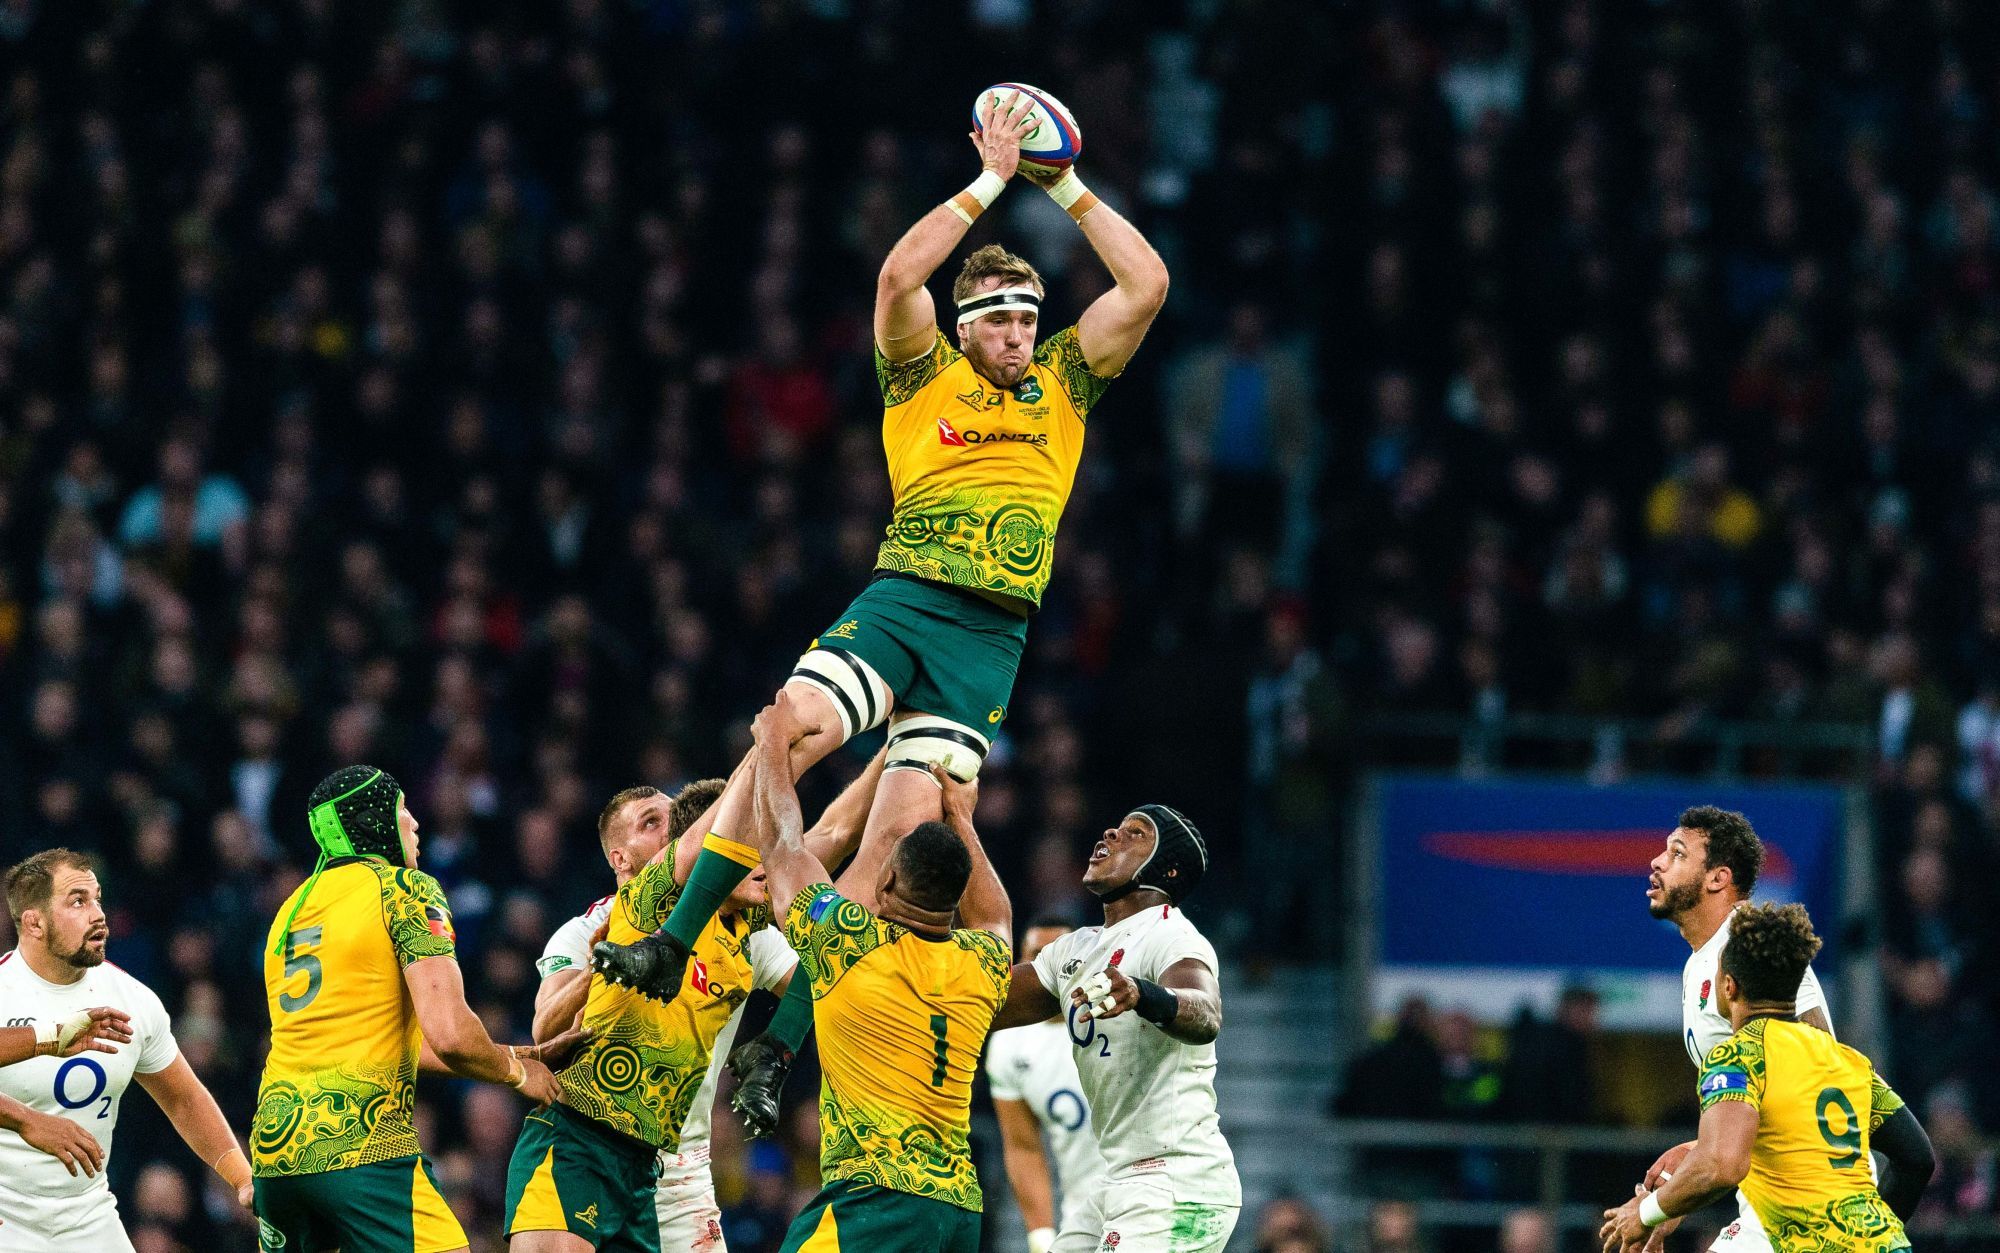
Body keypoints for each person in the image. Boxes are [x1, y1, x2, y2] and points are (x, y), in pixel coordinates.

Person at [593, 87, 1169, 1005]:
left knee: (899, 836)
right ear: (965, 326)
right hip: (905, 600)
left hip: (989, 640)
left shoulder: (1065, 378)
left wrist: (1064, 186)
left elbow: (1147, 287)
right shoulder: (921, 373)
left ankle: (788, 1034)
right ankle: (670, 937)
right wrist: (991, 180)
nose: (1018, 335)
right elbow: (899, 278)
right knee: (789, 729)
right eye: (999, 319)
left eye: (1028, 318)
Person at [519, 755, 881, 1252]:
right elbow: (544, 1030)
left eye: (674, 818)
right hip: (589, 1138)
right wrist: (605, 964)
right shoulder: (591, 927)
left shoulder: (743, 926)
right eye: (650, 823)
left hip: (680, 1167)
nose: (672, 828)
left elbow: (828, 838)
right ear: (620, 859)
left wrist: (898, 757)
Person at [252, 766, 567, 1253]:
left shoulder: (292, 910)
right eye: (402, 809)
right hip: (362, 1145)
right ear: (375, 822)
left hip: (276, 1152)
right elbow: (450, 1034)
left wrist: (508, 1053)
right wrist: (518, 1075)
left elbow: (387, 1044)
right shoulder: (404, 889)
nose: (415, 822)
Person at [742, 690, 1012, 1253]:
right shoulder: (983, 961)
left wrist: (772, 744)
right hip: (960, 1210)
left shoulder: (849, 942)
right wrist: (962, 818)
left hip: (874, 1202)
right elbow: (995, 916)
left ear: (885, 883)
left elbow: (783, 845)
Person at [1637, 806, 1934, 1252]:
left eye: (1678, 853)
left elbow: (1813, 1078)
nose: (1658, 861)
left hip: (1800, 1209)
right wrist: (1702, 1150)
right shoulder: (1701, 961)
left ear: (1718, 878)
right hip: (1773, 1203)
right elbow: (1771, 1102)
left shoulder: (1749, 952)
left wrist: (1702, 1163)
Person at [982, 794, 1240, 1252]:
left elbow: (1206, 1013)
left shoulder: (1171, 934)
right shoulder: (1075, 949)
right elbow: (983, 1003)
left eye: (1136, 833)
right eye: (1118, 826)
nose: (1111, 833)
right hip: (1119, 1178)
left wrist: (1145, 995)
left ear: (1167, 871)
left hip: (1179, 1179)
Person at [0, 849, 251, 1250]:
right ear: (34, 923)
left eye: (97, 899)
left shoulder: (132, 999)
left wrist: (241, 1178)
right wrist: (27, 1120)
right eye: (78, 901)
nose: (98, 914)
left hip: (89, 1216)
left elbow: (183, 1098)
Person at [985, 914, 1106, 1253]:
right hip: (1084, 1217)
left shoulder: (1119, 1016)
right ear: (1020, 964)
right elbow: (1023, 1146)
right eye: (1037, 955)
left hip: (1151, 1201)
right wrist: (1040, 1234)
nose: (1051, 967)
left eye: (1062, 954)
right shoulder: (1008, 1044)